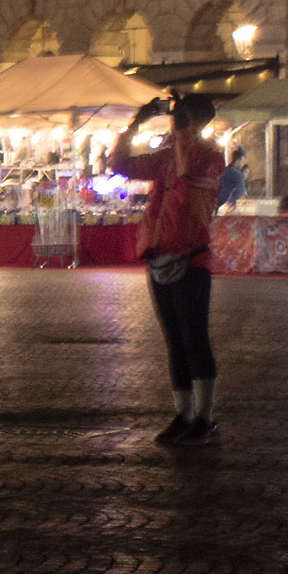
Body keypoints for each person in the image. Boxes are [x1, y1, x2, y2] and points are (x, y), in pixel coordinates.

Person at [113, 92, 227, 445]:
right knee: (175, 341)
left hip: (192, 256)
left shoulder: (210, 156)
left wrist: (181, 127)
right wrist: (135, 124)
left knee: (195, 338)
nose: (177, 121)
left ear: (196, 122)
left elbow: (189, 165)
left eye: (183, 117)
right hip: (160, 254)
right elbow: (121, 164)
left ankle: (205, 419)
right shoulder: (166, 157)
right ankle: (183, 414)